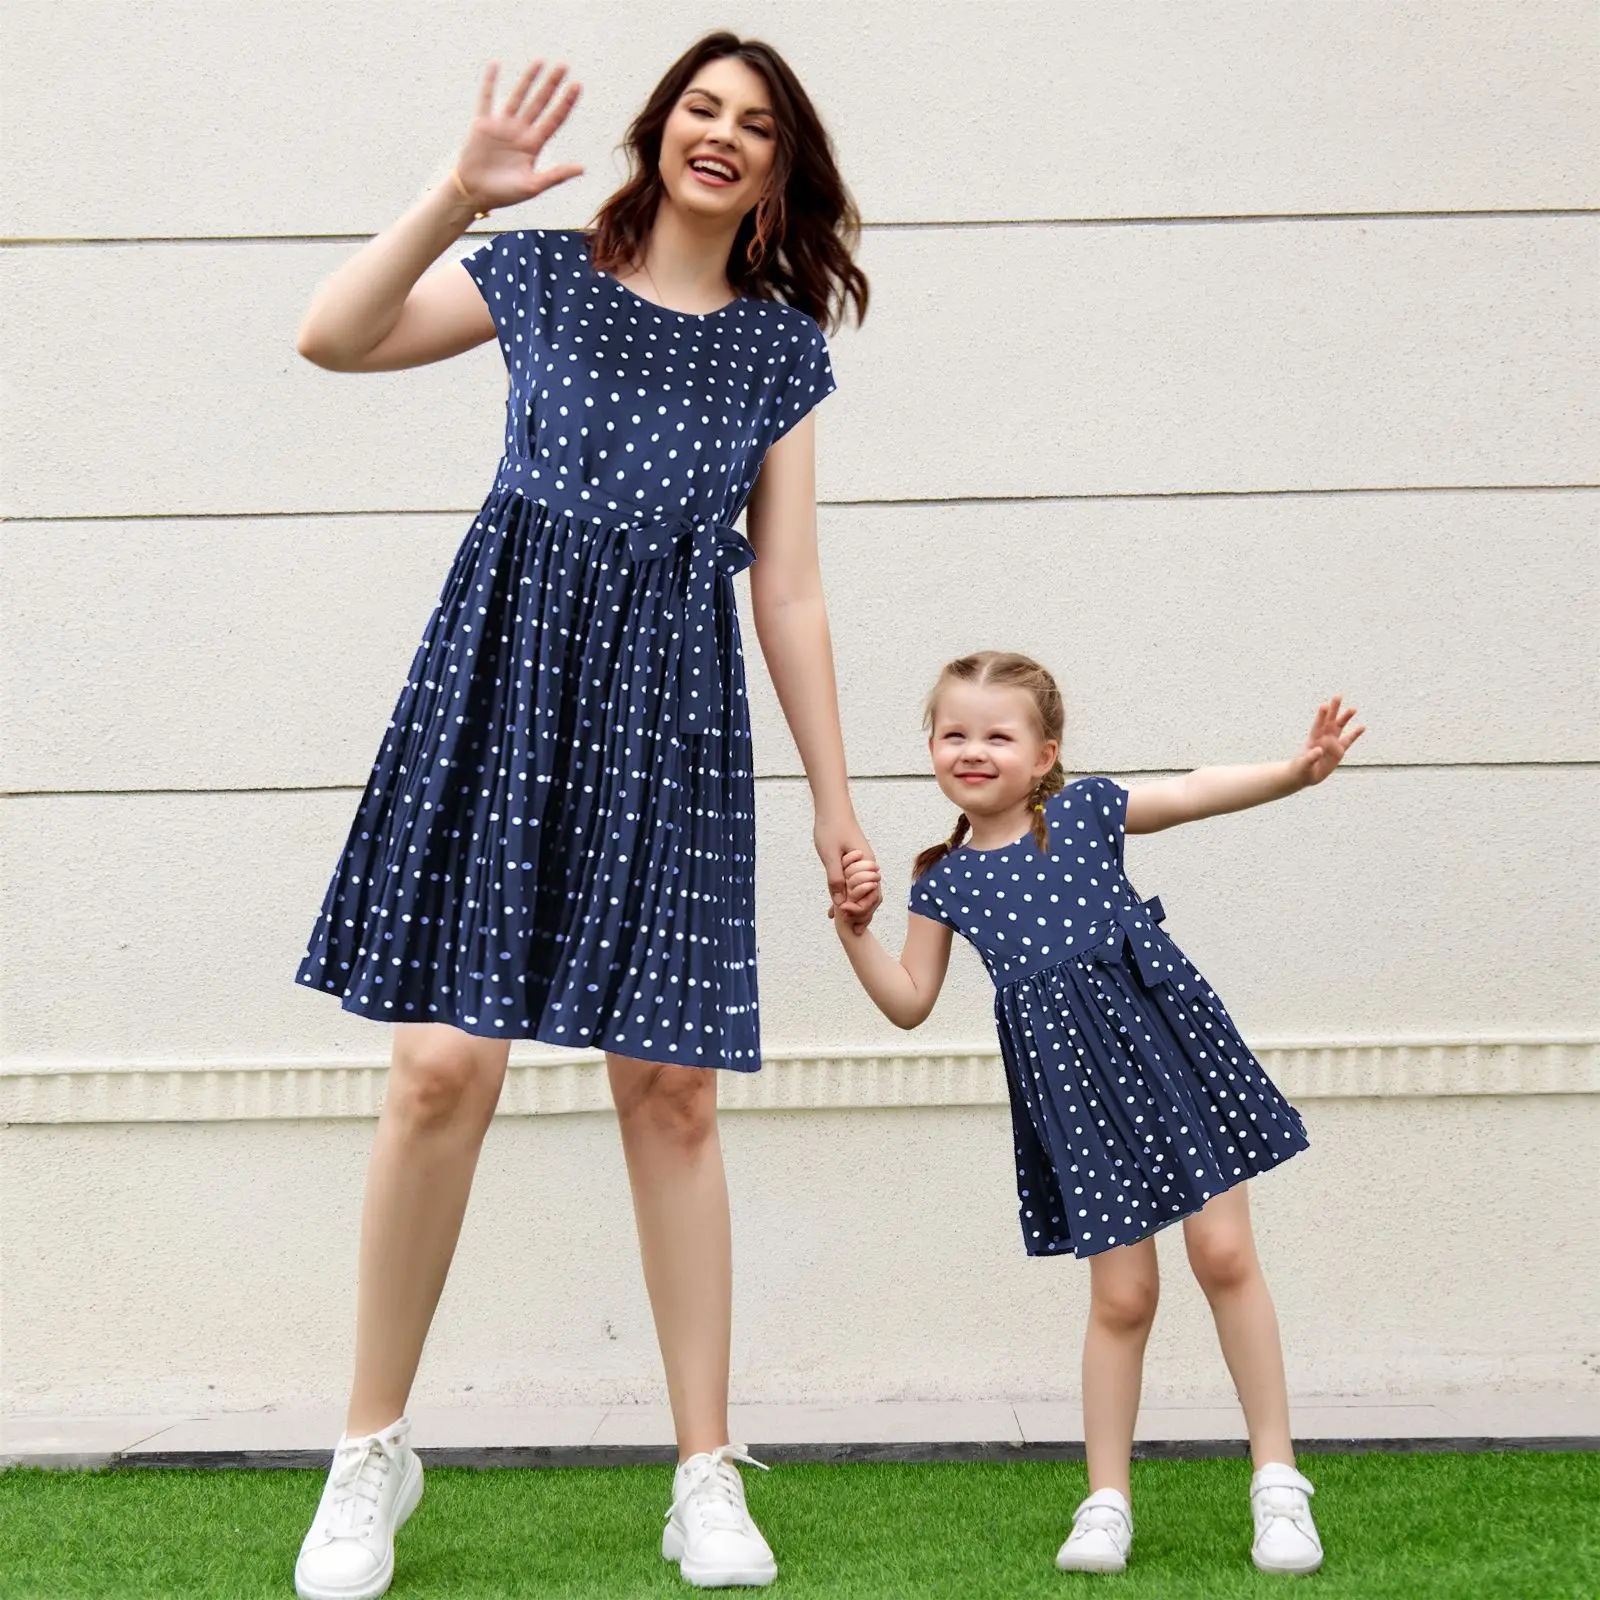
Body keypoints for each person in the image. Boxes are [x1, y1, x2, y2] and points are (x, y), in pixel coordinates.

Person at [290, 34, 877, 1598]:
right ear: (659, 127)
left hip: (671, 711)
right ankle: (369, 1451)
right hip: (506, 679)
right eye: (702, 107)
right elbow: (333, 336)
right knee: (440, 1068)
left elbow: (792, 594)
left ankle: (704, 1473)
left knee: (671, 1090)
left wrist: (835, 805)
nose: (723, 134)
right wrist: (455, 193)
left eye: (756, 125)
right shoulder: (545, 276)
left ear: (781, 170)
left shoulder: (777, 353)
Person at [831, 650, 1365, 1578]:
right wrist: (853, 933)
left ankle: (1278, 1484)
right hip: (1077, 1099)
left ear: (1045, 756)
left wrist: (1295, 771)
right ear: (931, 747)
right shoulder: (943, 881)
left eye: (998, 735)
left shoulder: (1083, 813)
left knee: (1224, 1255)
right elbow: (910, 1000)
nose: (973, 750)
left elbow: (1191, 792)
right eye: (954, 733)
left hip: (1169, 1052)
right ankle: (1106, 1502)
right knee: (1123, 1297)